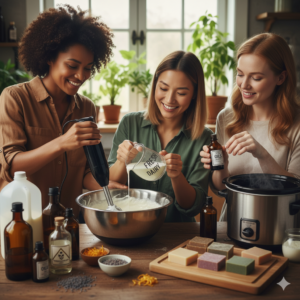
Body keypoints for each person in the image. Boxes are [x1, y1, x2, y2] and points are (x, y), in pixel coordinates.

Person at [0, 5, 126, 218]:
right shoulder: (15, 98)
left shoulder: (87, 108)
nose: (81, 75)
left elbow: (86, 171)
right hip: (24, 222)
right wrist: (62, 143)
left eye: (88, 68)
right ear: (50, 58)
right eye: (72, 65)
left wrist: (105, 187)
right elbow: (12, 167)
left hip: (69, 221)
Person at [200, 33, 300, 220]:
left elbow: (295, 189)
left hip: (280, 227)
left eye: (256, 77)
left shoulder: (296, 124)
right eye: (240, 74)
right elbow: (220, 186)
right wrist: (222, 164)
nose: (244, 85)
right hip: (231, 223)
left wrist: (261, 154)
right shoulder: (226, 118)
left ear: (281, 78)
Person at [108, 51, 213, 222]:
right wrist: (122, 161)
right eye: (163, 88)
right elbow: (112, 185)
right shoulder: (130, 123)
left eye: (181, 93)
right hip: (129, 226)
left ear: (194, 94)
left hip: (177, 234)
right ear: (155, 85)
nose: (169, 99)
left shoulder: (205, 138)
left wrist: (177, 177)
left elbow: (193, 207)